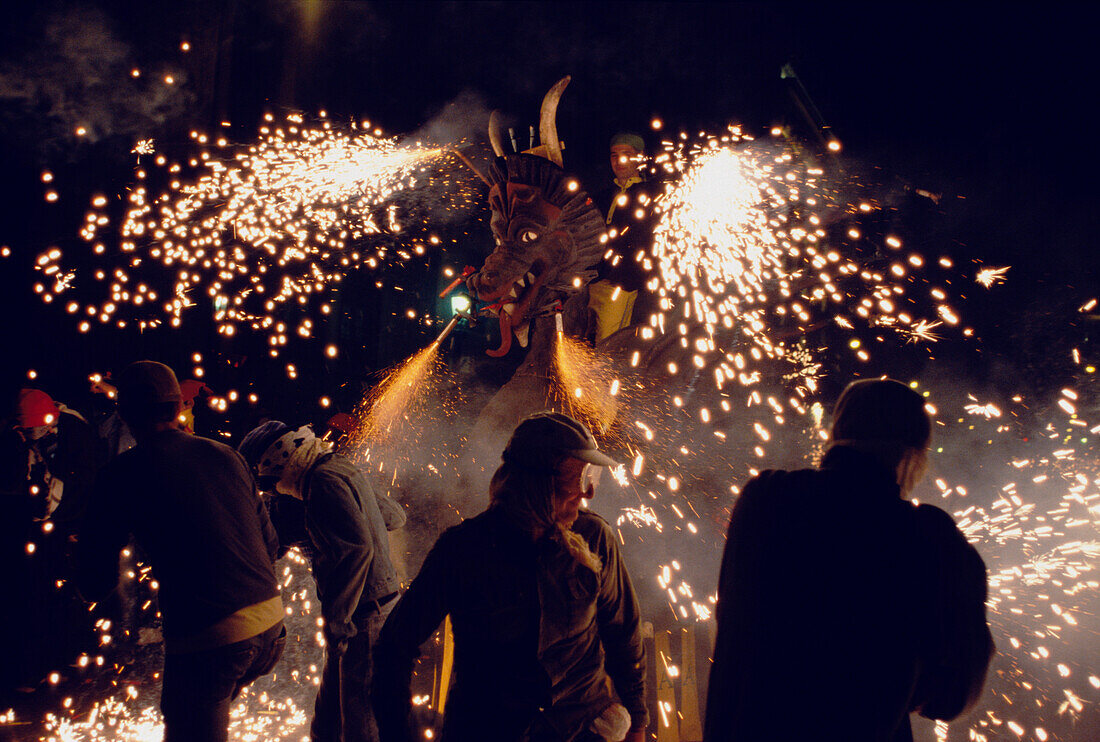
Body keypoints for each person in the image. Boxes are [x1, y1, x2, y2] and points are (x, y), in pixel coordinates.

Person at [705, 379, 994, 742]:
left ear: (836, 439)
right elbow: (952, 695)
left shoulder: (764, 498)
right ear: (909, 456)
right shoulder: (928, 537)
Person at [373, 411, 647, 742]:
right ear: (537, 484)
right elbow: (394, 647)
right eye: (575, 478)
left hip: (580, 729)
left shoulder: (594, 538)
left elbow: (624, 633)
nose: (586, 492)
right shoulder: (464, 549)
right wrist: (396, 733)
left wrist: (638, 723)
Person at [75, 361, 284, 742]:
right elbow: (270, 545)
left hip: (214, 636)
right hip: (271, 625)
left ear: (124, 411)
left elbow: (94, 578)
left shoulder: (122, 473)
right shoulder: (227, 454)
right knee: (204, 709)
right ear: (178, 407)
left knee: (190, 723)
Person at [238, 420, 405, 742]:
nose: (271, 489)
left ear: (277, 463)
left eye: (268, 482)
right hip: (372, 609)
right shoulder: (338, 467)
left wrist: (337, 621)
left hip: (362, 617)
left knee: (359, 725)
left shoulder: (322, 482)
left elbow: (357, 550)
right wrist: (363, 503)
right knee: (328, 719)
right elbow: (395, 516)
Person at [588, 132, 656, 342]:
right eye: (614, 155)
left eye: (626, 154)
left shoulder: (651, 193)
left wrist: (627, 280)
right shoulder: (603, 195)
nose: (619, 161)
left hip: (620, 286)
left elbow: (648, 241)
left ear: (639, 157)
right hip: (592, 281)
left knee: (608, 345)